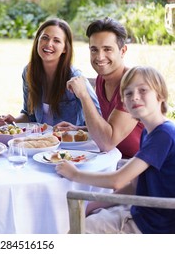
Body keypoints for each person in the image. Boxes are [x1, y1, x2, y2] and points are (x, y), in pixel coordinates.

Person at [56, 66, 175, 234]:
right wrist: (92, 206)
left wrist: (75, 174)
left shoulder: (164, 135)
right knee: (79, 222)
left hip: (155, 225)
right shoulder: (149, 133)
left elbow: (117, 181)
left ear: (160, 96)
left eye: (143, 90)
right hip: (141, 211)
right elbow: (134, 186)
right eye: (128, 93)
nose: (135, 97)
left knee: (80, 231)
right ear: (124, 103)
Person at [55, 17, 144, 159]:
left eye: (107, 49)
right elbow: (109, 127)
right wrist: (80, 129)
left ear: (123, 51)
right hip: (120, 159)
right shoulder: (102, 79)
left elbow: (107, 142)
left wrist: (84, 94)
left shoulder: (134, 85)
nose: (99, 57)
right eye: (94, 50)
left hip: (149, 167)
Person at [0, 18, 101, 127]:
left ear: (65, 48)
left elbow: (98, 118)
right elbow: (29, 115)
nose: (49, 44)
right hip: (41, 142)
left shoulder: (74, 77)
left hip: (71, 142)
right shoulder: (29, 71)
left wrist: (76, 129)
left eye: (56, 40)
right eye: (45, 38)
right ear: (37, 40)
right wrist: (13, 120)